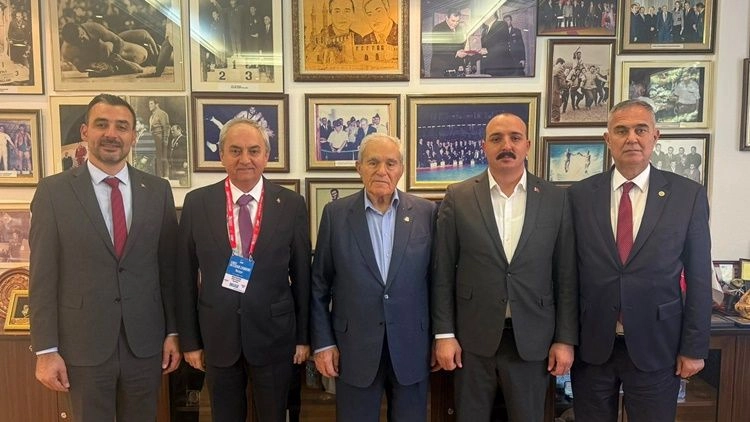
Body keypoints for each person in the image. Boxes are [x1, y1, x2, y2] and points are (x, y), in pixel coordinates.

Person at [29, 93, 181, 422]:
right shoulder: (53, 192)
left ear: (133, 137)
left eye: (122, 127)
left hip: (145, 344)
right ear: (85, 131)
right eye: (102, 124)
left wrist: (173, 332)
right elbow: (42, 277)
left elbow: (168, 271)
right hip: (83, 345)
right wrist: (45, 350)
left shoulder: (158, 190)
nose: (112, 133)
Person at [568, 99, 712, 421]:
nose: (631, 138)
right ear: (608, 139)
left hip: (658, 345)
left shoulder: (687, 195)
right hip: (592, 346)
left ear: (655, 136)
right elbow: (568, 275)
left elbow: (700, 276)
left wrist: (694, 348)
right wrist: (564, 339)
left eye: (640, 130)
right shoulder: (579, 196)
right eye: (621, 130)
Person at [433, 113, 578, 421]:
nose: (506, 145)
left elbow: (565, 275)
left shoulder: (556, 198)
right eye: (496, 139)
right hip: (472, 338)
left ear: (527, 145)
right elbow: (442, 271)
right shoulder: (458, 197)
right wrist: (444, 334)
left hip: (533, 339)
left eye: (515, 138)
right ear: (484, 146)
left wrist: (564, 339)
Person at [176, 117, 311, 422]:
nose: (245, 159)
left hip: (275, 336)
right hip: (217, 335)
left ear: (267, 155)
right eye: (235, 151)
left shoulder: (291, 204)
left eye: (254, 150)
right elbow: (184, 276)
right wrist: (190, 341)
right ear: (221, 155)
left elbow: (303, 275)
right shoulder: (197, 203)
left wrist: (303, 338)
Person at [311, 133, 437, 421]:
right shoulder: (335, 215)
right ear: (359, 167)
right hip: (353, 349)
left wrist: (439, 336)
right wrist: (324, 343)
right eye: (373, 162)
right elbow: (319, 286)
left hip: (412, 346)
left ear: (401, 168)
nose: (382, 170)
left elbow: (437, 282)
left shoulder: (426, 213)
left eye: (390, 163)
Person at [59, 22, 159, 77]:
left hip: (121, 53)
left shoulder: (93, 28)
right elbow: (81, 68)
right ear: (71, 43)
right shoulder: (68, 51)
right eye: (79, 41)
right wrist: (91, 65)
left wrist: (117, 60)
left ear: (81, 28)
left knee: (107, 46)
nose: (83, 39)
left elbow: (118, 41)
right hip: (103, 60)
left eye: (82, 35)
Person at [428, 10, 466, 77]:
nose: (455, 23)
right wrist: (456, 53)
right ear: (446, 18)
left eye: (457, 21)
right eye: (453, 21)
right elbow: (439, 48)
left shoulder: (460, 29)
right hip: (441, 69)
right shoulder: (438, 29)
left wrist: (465, 51)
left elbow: (461, 45)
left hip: (455, 68)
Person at [148, 98, 170, 178]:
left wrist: (165, 139)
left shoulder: (161, 113)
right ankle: (158, 176)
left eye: (151, 103)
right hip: (154, 139)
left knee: (162, 158)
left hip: (160, 138)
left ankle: (165, 176)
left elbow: (166, 127)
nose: (149, 106)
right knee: (156, 158)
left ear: (157, 104)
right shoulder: (152, 116)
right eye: (149, 104)